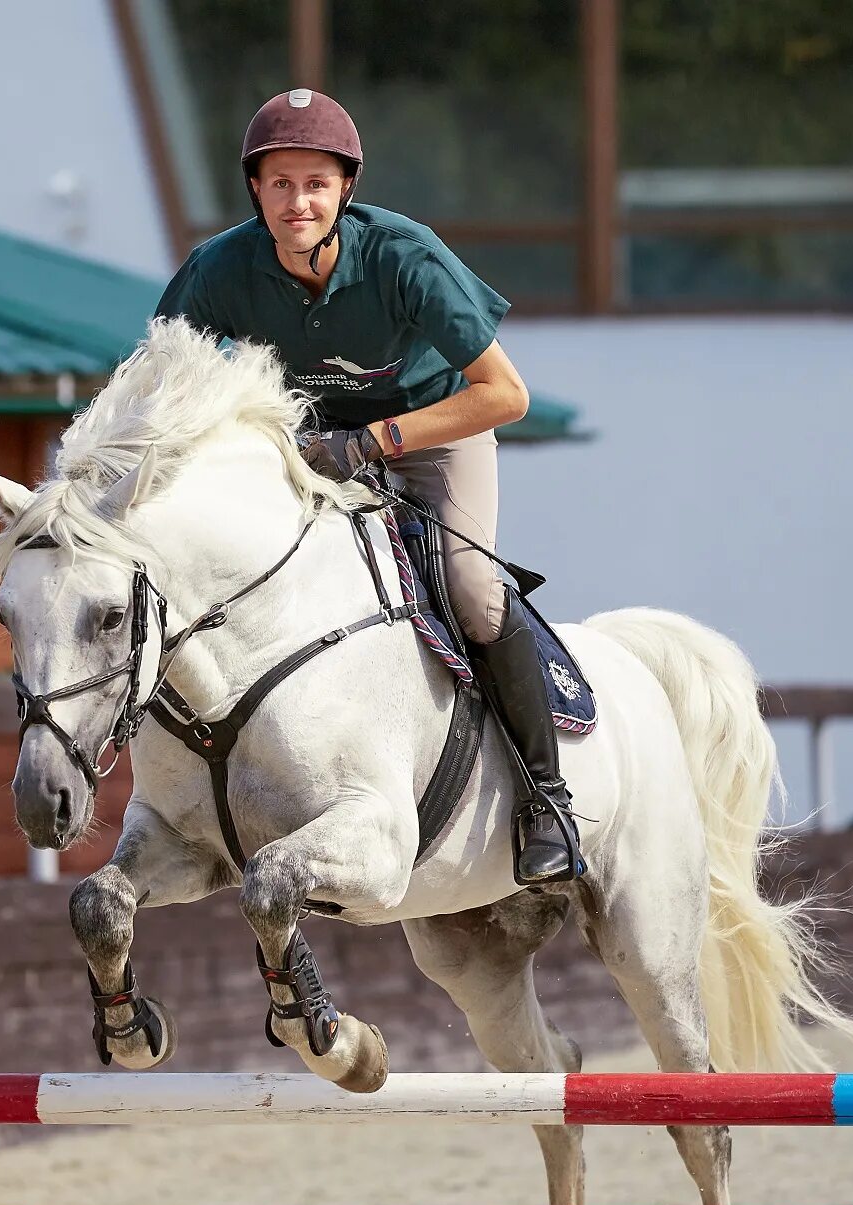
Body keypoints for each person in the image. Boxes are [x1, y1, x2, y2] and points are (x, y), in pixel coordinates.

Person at [153, 88, 580, 886]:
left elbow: (506, 395)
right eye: (279, 184)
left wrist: (374, 441)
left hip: (429, 433)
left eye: (314, 183)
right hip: (305, 449)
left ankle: (546, 798)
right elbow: (157, 375)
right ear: (255, 189)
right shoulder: (218, 268)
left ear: (344, 188)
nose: (296, 202)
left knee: (473, 591)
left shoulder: (402, 255)